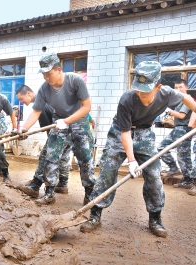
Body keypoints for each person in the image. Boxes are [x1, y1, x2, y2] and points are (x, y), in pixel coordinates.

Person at [80, 61, 196, 238]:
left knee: (154, 175)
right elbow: (125, 133)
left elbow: (186, 99)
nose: (140, 93)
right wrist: (131, 160)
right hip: (120, 133)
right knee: (107, 172)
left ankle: (155, 218)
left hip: (145, 134)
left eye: (145, 90)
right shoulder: (127, 99)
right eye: (138, 89)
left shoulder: (167, 94)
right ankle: (95, 214)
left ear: (158, 87)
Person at [17, 53, 95, 205]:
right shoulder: (44, 89)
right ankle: (49, 193)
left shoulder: (75, 81)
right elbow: (36, 111)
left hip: (80, 123)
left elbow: (87, 107)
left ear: (59, 70)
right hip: (59, 123)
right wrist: (24, 128)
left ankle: (89, 194)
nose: (46, 78)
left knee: (85, 160)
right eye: (44, 74)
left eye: (49, 73)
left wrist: (67, 121)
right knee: (51, 157)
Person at [15, 84, 72, 199]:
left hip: (61, 132)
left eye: (21, 99)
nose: (21, 102)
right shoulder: (47, 99)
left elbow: (49, 131)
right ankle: (62, 184)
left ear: (28, 93)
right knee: (64, 158)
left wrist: (49, 147)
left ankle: (35, 187)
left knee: (45, 156)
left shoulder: (41, 104)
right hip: (71, 131)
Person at [158, 79, 193, 187]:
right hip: (177, 129)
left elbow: (182, 116)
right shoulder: (179, 100)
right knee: (161, 147)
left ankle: (189, 180)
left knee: (183, 156)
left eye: (180, 87)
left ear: (186, 87)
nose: (178, 89)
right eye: (176, 87)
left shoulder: (188, 99)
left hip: (184, 129)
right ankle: (173, 168)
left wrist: (168, 111)